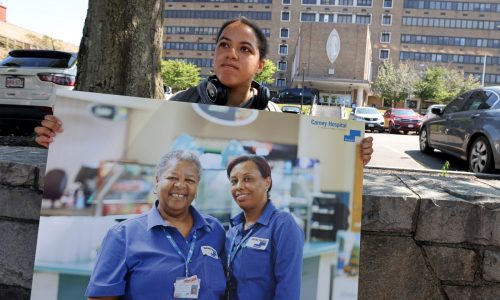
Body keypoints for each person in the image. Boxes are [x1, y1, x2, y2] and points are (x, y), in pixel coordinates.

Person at [34, 17, 374, 165]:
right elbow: (127, 148)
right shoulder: (177, 105)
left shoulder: (276, 121)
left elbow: (315, 165)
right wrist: (67, 137)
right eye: (224, 45)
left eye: (245, 49)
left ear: (261, 65)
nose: (231, 53)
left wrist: (353, 156)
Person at [85, 150, 226, 300]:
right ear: (157, 181)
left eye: (190, 180)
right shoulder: (123, 235)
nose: (180, 185)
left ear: (197, 186)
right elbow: (101, 298)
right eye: (172, 177)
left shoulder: (214, 230)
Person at [225, 155, 304, 300]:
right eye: (234, 181)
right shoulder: (233, 231)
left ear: (267, 182)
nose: (239, 186)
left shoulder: (282, 225)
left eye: (247, 179)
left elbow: (288, 289)